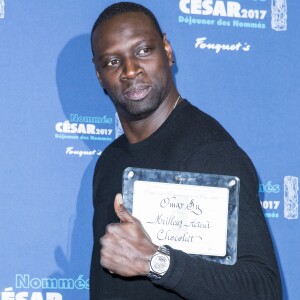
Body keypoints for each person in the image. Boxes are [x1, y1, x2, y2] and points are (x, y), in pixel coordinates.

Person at [89, 2, 282, 299]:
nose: (130, 70)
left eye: (143, 50)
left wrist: (155, 261)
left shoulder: (211, 151)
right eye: (113, 61)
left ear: (166, 49)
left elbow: (263, 289)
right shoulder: (110, 160)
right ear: (99, 75)